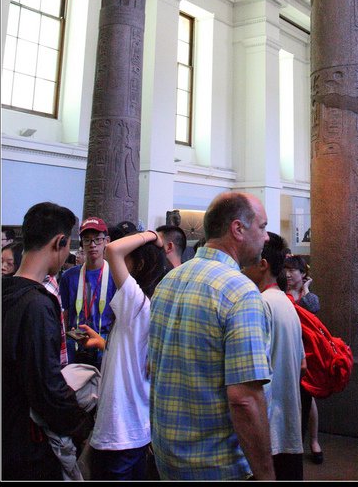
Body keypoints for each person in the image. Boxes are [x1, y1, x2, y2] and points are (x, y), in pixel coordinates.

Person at [149, 191, 275, 481]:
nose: (267, 237)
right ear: (238, 229)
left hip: (168, 458)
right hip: (216, 465)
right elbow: (245, 400)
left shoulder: (170, 279)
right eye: (263, 227)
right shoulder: (239, 292)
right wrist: (267, 475)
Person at [2, 202, 90, 480]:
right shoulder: (37, 305)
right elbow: (46, 386)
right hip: (27, 443)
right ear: (59, 242)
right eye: (68, 245)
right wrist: (78, 422)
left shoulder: (7, 290)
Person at [78, 228, 170, 481]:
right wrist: (102, 344)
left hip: (120, 432)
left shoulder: (138, 304)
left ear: (138, 264)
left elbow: (112, 250)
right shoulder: (147, 307)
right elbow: (131, 359)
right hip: (133, 429)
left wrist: (152, 235)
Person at [243, 232, 306, 481]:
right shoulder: (284, 302)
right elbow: (301, 363)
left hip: (270, 431)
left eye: (247, 257)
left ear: (262, 264)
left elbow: (254, 373)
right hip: (287, 427)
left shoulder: (261, 304)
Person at [60, 217, 116, 367]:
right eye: (87, 240)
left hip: (104, 342)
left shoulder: (115, 276)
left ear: (107, 241)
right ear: (81, 244)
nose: (92, 245)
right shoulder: (68, 276)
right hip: (76, 342)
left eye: (98, 239)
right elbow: (65, 313)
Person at [284, 255, 322, 464]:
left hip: (308, 354)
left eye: (293, 270)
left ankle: (314, 441)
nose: (288, 274)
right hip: (288, 350)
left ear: (303, 274)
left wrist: (306, 289)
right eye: (286, 270)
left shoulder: (309, 297)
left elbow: (313, 311)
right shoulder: (281, 294)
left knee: (309, 398)